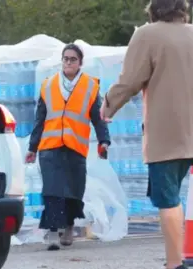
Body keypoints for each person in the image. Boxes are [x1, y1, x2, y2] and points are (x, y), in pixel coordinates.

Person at [100, 1, 192, 268]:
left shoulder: (147, 34)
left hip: (167, 133)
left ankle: (175, 262)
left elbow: (131, 79)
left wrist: (107, 106)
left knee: (169, 198)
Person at [26, 43, 111, 251]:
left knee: (74, 190)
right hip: (50, 146)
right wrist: (32, 148)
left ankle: (69, 226)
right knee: (53, 190)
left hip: (75, 147)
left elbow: (98, 119)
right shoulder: (48, 85)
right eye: (65, 59)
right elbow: (39, 120)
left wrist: (104, 141)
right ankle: (53, 231)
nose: (68, 62)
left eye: (73, 59)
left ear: (80, 63)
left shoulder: (90, 87)